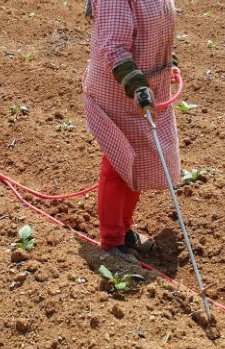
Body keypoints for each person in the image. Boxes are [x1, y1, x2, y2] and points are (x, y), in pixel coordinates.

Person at [83, 0, 180, 263]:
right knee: (119, 162)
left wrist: (167, 60)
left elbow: (157, 27)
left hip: (144, 88)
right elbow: (112, 45)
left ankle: (124, 232)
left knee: (136, 160)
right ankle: (113, 240)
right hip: (116, 91)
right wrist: (136, 83)